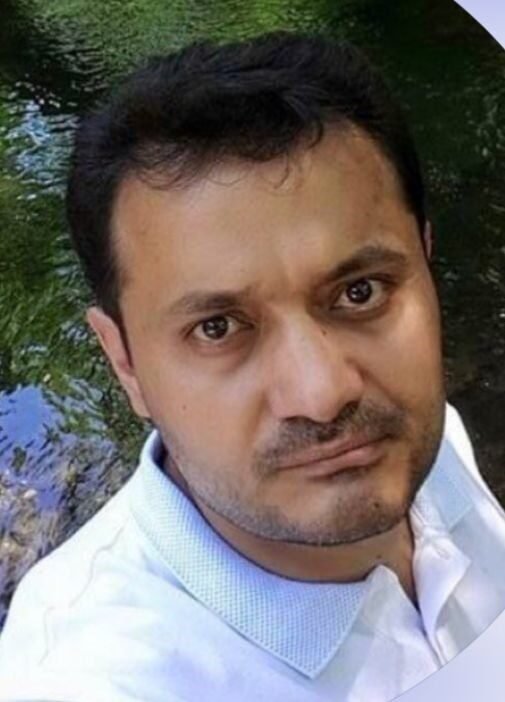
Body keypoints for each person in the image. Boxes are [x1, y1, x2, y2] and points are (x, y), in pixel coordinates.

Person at [1, 31, 504, 702]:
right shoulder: (91, 679)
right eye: (217, 328)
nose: (324, 394)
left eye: (360, 292)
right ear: (125, 364)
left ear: (426, 265)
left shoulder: (431, 445)